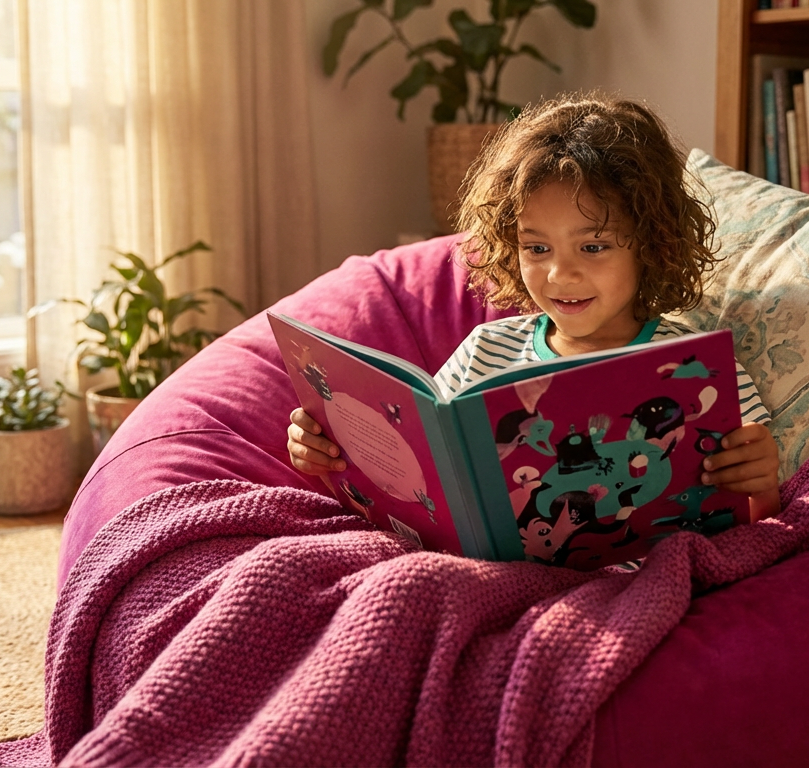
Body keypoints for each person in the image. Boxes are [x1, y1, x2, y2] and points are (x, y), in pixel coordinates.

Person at [287, 93, 780, 524]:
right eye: (536, 249)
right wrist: (331, 451)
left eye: (593, 247)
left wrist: (761, 480)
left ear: (650, 245)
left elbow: (762, 518)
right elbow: (422, 469)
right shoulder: (485, 350)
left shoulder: (698, 367)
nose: (559, 275)